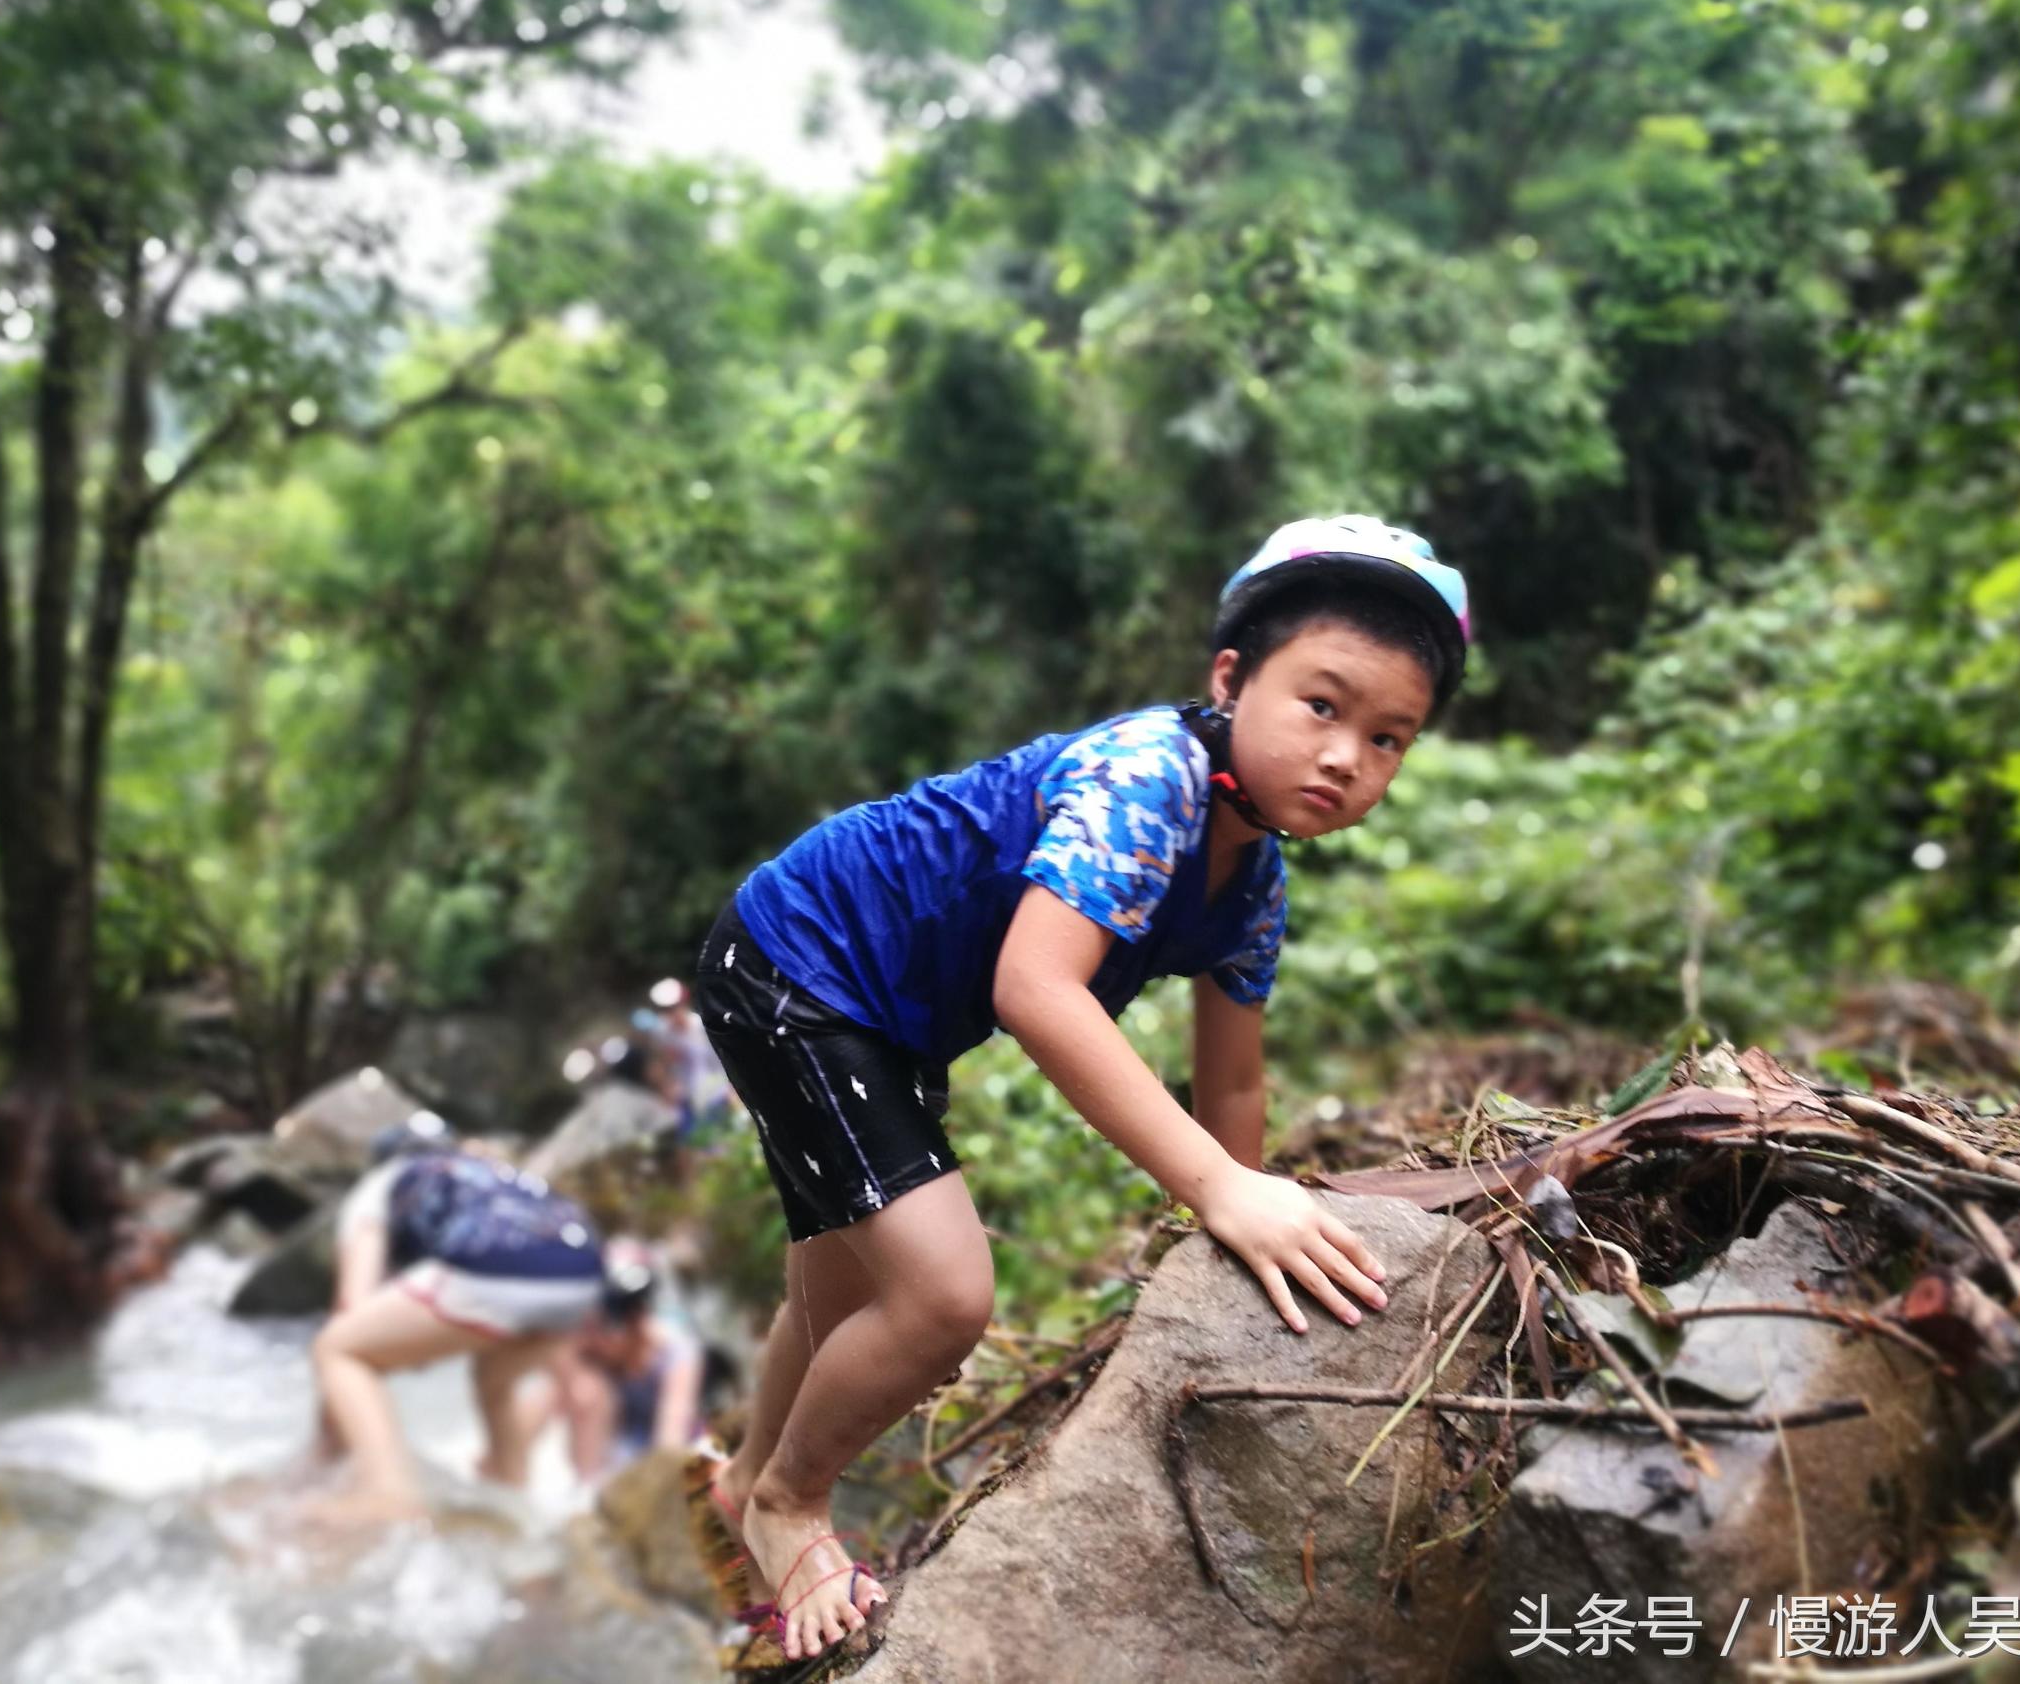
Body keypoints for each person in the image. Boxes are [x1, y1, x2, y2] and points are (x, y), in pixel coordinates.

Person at [692, 516, 1471, 1659]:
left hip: (885, 1011)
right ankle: (787, 1500)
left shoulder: (1251, 880)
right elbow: (1036, 989)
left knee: (843, 1266)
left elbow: (1232, 1077)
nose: (1347, 755)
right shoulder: (1146, 777)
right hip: (796, 963)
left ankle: (740, 1483)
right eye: (1321, 704)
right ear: (1230, 678)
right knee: (942, 1297)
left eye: (1387, 737)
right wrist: (1217, 1189)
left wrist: (1237, 1208)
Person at [314, 1121, 606, 1522]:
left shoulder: (381, 1184)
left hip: (495, 1265)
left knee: (336, 1348)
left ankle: (389, 1494)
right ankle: (511, 1493)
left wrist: (326, 1446)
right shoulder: (488, 1171)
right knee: (494, 1380)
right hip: (585, 1276)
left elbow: (351, 1304)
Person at [538, 1246, 705, 1483]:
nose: (594, 1338)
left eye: (602, 1328)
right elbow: (552, 1392)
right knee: (586, 1391)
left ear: (637, 1322)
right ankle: (582, 1487)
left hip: (664, 1456)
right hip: (612, 1449)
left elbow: (671, 1435)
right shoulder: (591, 1345)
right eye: (588, 1326)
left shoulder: (675, 1352)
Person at [650, 977, 733, 1139]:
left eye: (674, 1008)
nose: (672, 1014)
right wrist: (666, 1086)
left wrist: (731, 1089)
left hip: (716, 1094)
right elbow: (663, 1063)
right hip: (685, 1097)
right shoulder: (661, 1033)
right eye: (666, 1010)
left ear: (683, 1003)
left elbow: (722, 1060)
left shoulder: (701, 1026)